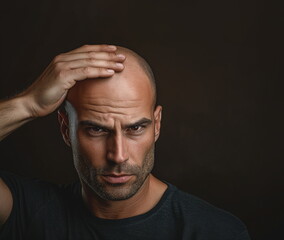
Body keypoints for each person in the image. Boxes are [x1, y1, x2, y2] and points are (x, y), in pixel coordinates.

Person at [0, 44, 250, 239]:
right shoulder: (28, 212)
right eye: (97, 130)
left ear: (157, 124)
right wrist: (29, 104)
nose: (118, 155)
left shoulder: (215, 232)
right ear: (66, 129)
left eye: (136, 128)